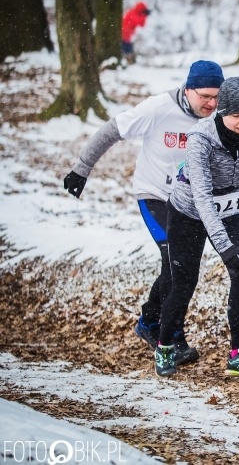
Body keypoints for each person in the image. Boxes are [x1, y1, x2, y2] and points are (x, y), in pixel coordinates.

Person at [63, 60, 225, 367]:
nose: (211, 103)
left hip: (190, 202)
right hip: (154, 196)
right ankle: (171, 336)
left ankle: (150, 321)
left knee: (184, 265)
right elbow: (112, 131)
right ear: (187, 89)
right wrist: (81, 169)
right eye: (205, 96)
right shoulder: (157, 108)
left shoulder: (219, 117)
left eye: (216, 97)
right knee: (175, 260)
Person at [154, 76, 239, 378]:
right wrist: (224, 247)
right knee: (183, 282)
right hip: (189, 212)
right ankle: (165, 345)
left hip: (231, 207)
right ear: (221, 112)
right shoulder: (201, 139)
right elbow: (203, 198)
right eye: (236, 115)